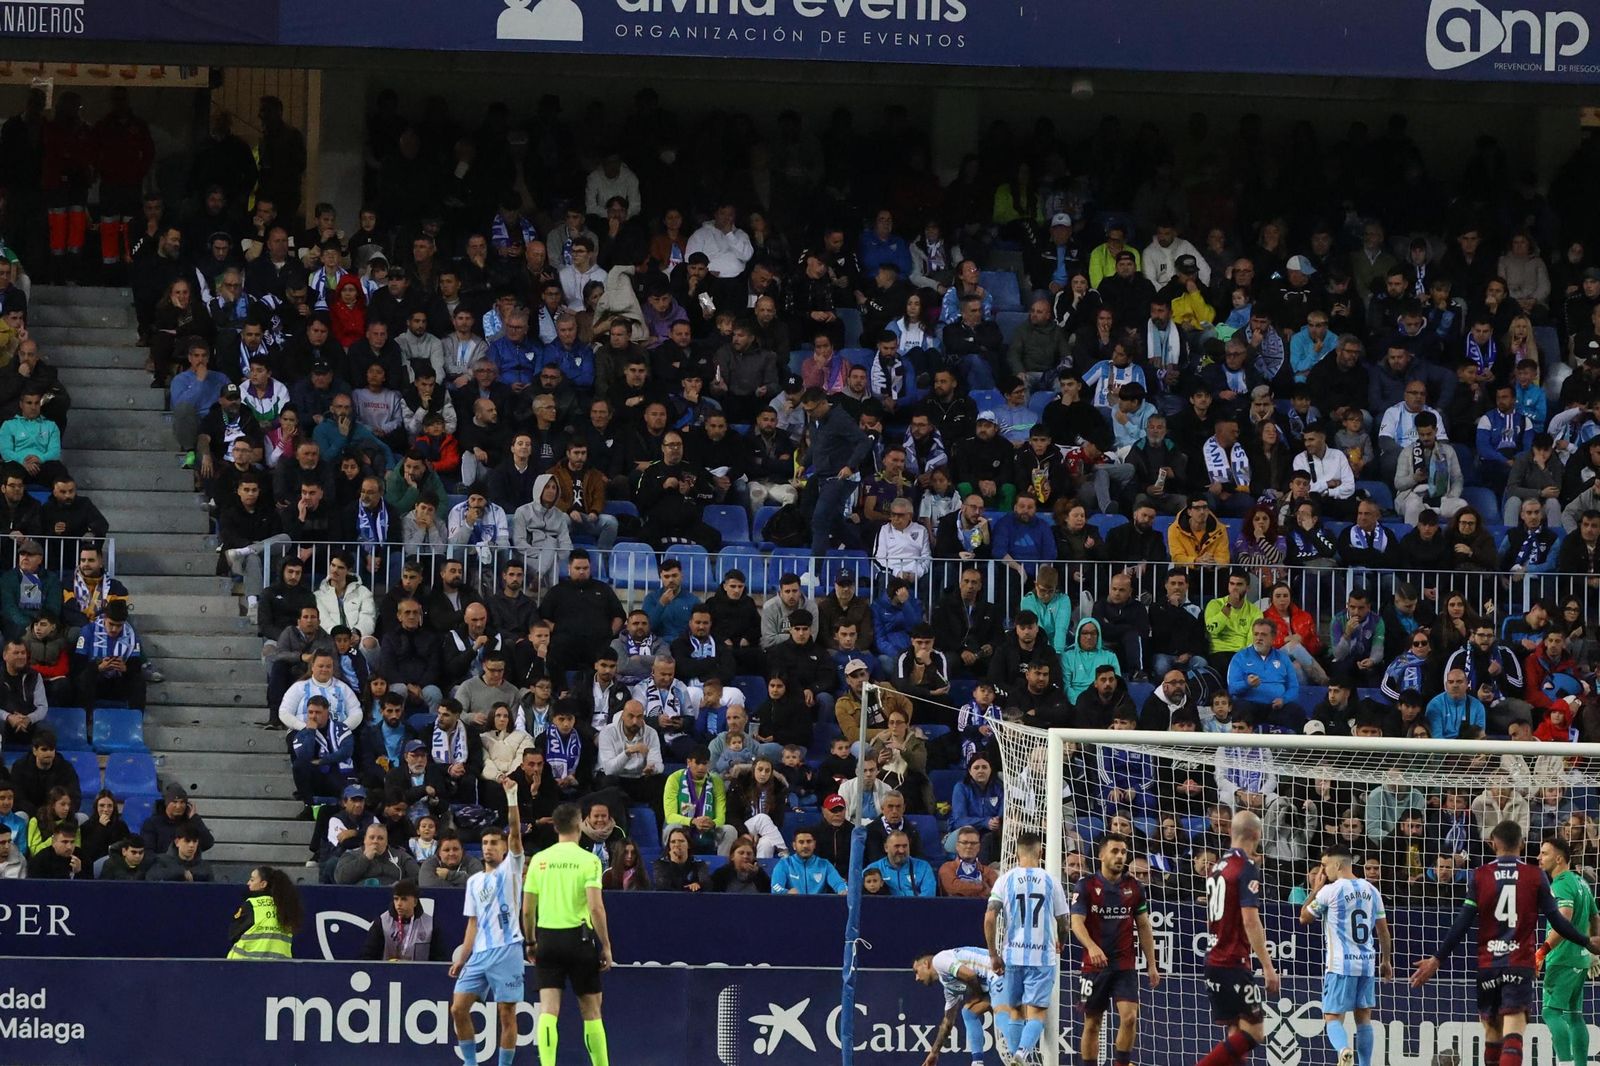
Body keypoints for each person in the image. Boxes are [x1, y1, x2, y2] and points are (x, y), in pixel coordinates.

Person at [1412, 819, 1600, 1066]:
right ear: (1522, 845)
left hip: (1489, 963)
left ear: (1492, 844)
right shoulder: (1534, 876)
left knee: (1492, 1035)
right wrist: (1586, 941)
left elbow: (1462, 923)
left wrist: (1437, 958)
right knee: (1513, 1032)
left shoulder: (1480, 875)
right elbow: (1558, 921)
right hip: (1520, 964)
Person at [522, 801, 614, 1066]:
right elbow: (596, 907)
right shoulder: (589, 860)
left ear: (555, 826)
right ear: (579, 825)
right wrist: (605, 945)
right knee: (592, 1011)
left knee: (549, 1011)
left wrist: (530, 941)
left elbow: (528, 909)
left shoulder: (540, 860)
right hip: (579, 939)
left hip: (547, 939)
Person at [447, 777, 523, 1066]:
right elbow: (472, 924)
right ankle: (470, 1062)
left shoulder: (511, 869)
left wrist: (512, 797)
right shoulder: (474, 881)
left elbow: (515, 833)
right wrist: (462, 957)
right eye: (485, 843)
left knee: (506, 1014)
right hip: (479, 954)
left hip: (508, 949)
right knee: (457, 1009)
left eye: (494, 843)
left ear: (503, 848)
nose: (489, 848)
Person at [1197, 810, 1280, 1066]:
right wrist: (1268, 966)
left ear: (1231, 832)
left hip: (1213, 959)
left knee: (1236, 1032)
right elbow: (1250, 919)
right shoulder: (1246, 867)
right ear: (1257, 835)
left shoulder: (1217, 868)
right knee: (1254, 1032)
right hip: (1233, 961)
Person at [1072, 832, 1162, 1066]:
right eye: (1115, 851)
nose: (1120, 856)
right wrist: (1091, 946)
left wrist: (1152, 964)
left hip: (1124, 964)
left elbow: (1143, 925)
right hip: (1094, 966)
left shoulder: (1135, 887)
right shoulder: (1086, 885)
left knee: (1130, 1017)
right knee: (1093, 1023)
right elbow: (1076, 922)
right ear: (1102, 855)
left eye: (1123, 851)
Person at [1299, 845, 1392, 1066]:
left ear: (1338, 864)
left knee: (1332, 1017)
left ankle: (1343, 1050)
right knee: (1364, 1018)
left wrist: (1315, 889)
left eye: (1325, 865)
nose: (1323, 870)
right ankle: (1365, 1064)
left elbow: (1303, 918)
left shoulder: (1330, 891)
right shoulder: (1372, 890)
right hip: (1367, 965)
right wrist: (1386, 961)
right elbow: (1383, 931)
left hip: (1341, 965)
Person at [986, 829, 1069, 1062]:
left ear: (1016, 853)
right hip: (1041, 957)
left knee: (1015, 1010)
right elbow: (1064, 921)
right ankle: (1022, 1053)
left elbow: (990, 917)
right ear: (1040, 852)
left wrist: (993, 954)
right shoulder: (1051, 881)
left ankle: (1015, 1056)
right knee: (1037, 1012)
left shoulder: (1005, 880)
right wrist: (1060, 942)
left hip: (1013, 956)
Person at [1537, 834, 1598, 1066]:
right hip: (1581, 959)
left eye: (1545, 853)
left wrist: (1541, 951)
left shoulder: (1561, 884)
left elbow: (1564, 922)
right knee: (1574, 1015)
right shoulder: (1581, 882)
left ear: (1560, 859)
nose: (1539, 857)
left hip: (1562, 958)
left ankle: (1564, 1063)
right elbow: (1595, 915)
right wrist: (1594, 945)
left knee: (1551, 1013)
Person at [910, 946, 1011, 1066]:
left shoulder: (939, 960)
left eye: (916, 971)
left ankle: (1018, 1056)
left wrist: (977, 996)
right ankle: (977, 1062)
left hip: (1000, 972)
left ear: (926, 964)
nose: (916, 978)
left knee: (1002, 1016)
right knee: (969, 1012)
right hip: (993, 985)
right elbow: (947, 1023)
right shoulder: (949, 987)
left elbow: (970, 975)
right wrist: (934, 1053)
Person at [358, 878, 446, 961]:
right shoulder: (382, 922)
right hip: (385, 973)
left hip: (419, 975)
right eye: (396, 899)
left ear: (415, 902)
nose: (399, 904)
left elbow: (438, 960)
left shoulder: (430, 925)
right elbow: (368, 956)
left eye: (404, 899)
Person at [225, 865, 301, 960]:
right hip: (279, 968)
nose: (248, 883)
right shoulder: (285, 907)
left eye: (252, 880)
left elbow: (233, 934)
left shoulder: (252, 904)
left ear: (263, 884)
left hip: (244, 966)